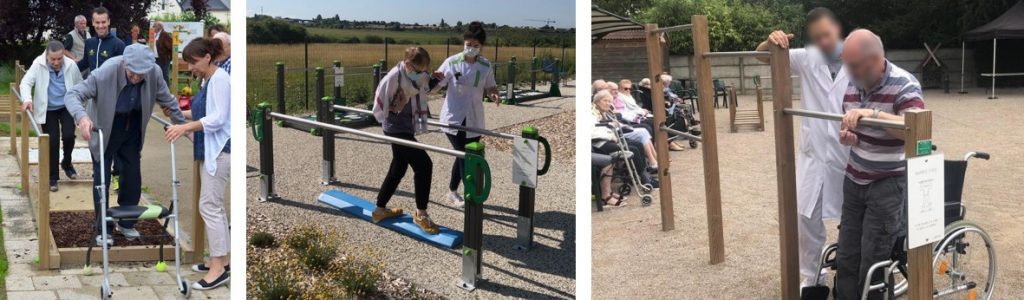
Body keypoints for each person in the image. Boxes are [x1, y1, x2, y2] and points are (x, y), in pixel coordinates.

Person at [754, 7, 852, 287]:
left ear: (838, 28)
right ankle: (813, 276)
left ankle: (849, 273)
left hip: (850, 153)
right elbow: (762, 57)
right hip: (816, 155)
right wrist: (770, 41)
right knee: (805, 216)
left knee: (853, 218)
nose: (823, 41)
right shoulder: (807, 58)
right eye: (816, 36)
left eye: (827, 33)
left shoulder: (857, 53)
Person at [833, 29, 924, 300]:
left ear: (875, 60)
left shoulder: (905, 84)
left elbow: (916, 128)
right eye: (845, 65)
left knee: (874, 257)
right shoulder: (853, 84)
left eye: (853, 65)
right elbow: (853, 130)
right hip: (854, 179)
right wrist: (849, 137)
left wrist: (872, 114)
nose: (847, 72)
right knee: (847, 253)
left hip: (887, 184)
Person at [64, 44, 186, 246]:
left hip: (133, 128)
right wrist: (82, 117)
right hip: (105, 128)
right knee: (101, 179)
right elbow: (73, 95)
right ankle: (103, 227)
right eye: (133, 73)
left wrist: (184, 127)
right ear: (124, 64)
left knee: (132, 176)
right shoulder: (105, 72)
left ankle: (126, 223)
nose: (137, 77)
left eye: (141, 74)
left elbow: (167, 100)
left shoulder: (154, 72)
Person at [164, 37, 231, 291]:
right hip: (211, 149)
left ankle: (217, 270)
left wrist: (184, 127)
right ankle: (221, 261)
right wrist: (176, 115)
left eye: (192, 62)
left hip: (220, 150)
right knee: (215, 207)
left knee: (209, 207)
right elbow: (203, 113)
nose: (190, 67)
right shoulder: (209, 80)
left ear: (206, 57)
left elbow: (217, 119)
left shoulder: (221, 80)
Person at [431, 21, 500, 208]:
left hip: (474, 118)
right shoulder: (452, 62)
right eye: (468, 45)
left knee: (461, 155)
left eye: (475, 46)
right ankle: (473, 198)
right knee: (465, 155)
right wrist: (432, 80)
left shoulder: (485, 65)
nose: (471, 48)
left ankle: (452, 192)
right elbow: (435, 87)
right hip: (453, 118)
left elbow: (490, 85)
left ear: (481, 47)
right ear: (464, 43)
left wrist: (494, 94)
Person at [371, 47, 438, 234]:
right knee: (424, 165)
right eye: (418, 70)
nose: (421, 74)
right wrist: (392, 107)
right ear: (408, 64)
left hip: (405, 126)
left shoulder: (414, 76)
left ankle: (379, 210)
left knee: (398, 167)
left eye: (424, 70)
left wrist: (434, 78)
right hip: (395, 128)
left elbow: (424, 86)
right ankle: (421, 213)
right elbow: (379, 100)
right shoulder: (394, 77)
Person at [19, 41, 84, 191]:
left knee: (68, 135)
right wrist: (27, 99)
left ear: (63, 55)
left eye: (59, 58)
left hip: (67, 106)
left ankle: (67, 163)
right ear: (47, 56)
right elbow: (26, 83)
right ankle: (53, 177)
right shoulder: (38, 64)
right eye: (52, 59)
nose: (56, 62)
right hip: (48, 109)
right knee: (52, 141)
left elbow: (80, 84)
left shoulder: (71, 65)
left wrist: (81, 108)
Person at [77, 7, 125, 75]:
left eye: (103, 22)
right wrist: (68, 65)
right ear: (93, 22)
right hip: (92, 84)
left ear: (109, 21)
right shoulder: (89, 43)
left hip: (110, 85)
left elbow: (123, 71)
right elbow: (85, 63)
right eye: (97, 22)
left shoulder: (119, 45)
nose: (100, 26)